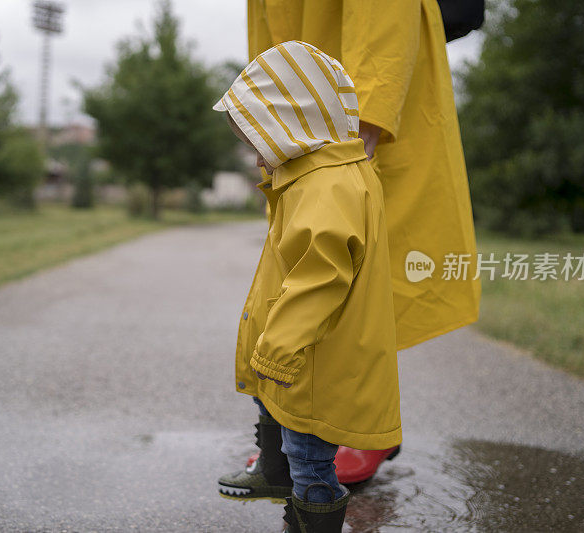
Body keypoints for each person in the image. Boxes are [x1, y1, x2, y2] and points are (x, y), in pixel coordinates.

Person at [243, 0, 482, 485]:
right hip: (305, 94)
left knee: (356, 271)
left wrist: (366, 114)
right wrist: (267, 117)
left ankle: (358, 426)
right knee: (298, 265)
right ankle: (301, 431)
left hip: (358, 85)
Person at [213, 40, 400, 532]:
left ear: (293, 127)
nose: (255, 155)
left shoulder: (328, 186)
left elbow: (320, 279)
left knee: (311, 457)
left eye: (258, 139)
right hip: (303, 345)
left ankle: (311, 514)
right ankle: (275, 474)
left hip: (314, 349)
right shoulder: (314, 175)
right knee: (274, 404)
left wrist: (277, 347)